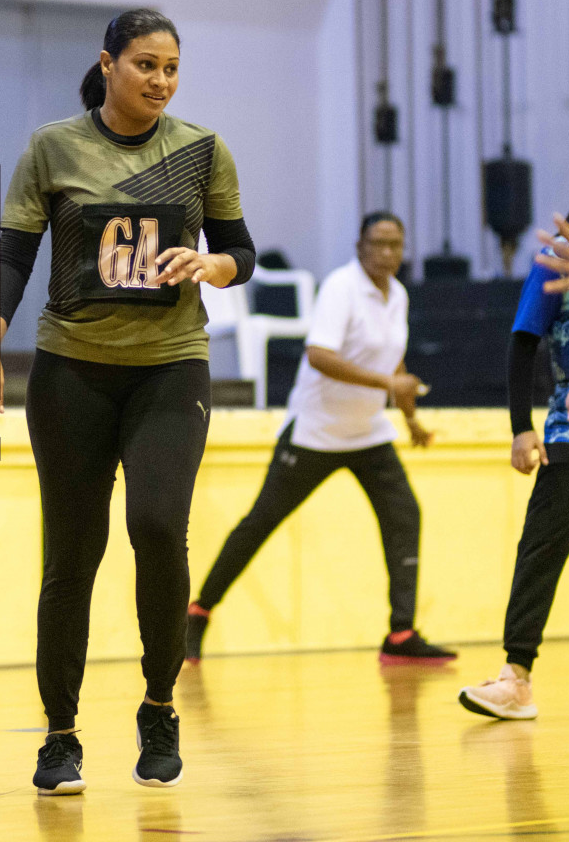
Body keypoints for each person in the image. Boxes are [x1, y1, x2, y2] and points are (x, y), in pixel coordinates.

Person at [0, 8, 256, 794]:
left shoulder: (200, 150)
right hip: (71, 372)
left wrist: (213, 269)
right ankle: (59, 736)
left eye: (170, 67)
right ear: (106, 65)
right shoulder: (53, 147)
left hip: (169, 369)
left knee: (157, 528)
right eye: (144, 65)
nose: (159, 81)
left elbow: (240, 249)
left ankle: (159, 707)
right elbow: (13, 252)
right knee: (72, 555)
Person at [185, 212, 455, 666]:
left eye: (396, 244)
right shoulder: (341, 288)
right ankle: (197, 612)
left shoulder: (398, 295)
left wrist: (410, 421)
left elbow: (396, 364)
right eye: (379, 243)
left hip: (367, 432)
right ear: (360, 246)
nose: (388, 252)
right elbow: (319, 356)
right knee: (261, 523)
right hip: (315, 431)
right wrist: (389, 387)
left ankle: (401, 633)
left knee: (405, 514)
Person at [459, 132, 569, 721]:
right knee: (541, 551)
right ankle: (515, 677)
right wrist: (521, 427)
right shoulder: (560, 253)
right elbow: (523, 342)